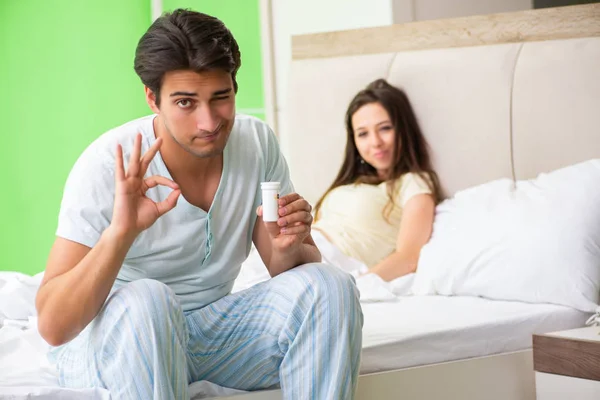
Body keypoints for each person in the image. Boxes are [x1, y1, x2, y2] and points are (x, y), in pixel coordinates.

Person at [34, 9, 362, 400]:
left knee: (331, 285)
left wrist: (293, 243)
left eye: (220, 98)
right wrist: (121, 233)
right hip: (115, 341)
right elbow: (54, 326)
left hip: (208, 335)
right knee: (149, 300)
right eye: (186, 103)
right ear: (152, 99)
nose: (209, 122)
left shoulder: (257, 143)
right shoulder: (108, 163)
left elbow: (281, 267)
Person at [312, 79, 442, 282]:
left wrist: (355, 287)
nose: (375, 142)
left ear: (403, 130)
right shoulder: (349, 184)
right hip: (298, 252)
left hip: (328, 268)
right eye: (363, 134)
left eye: (385, 128)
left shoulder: (413, 183)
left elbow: (408, 258)